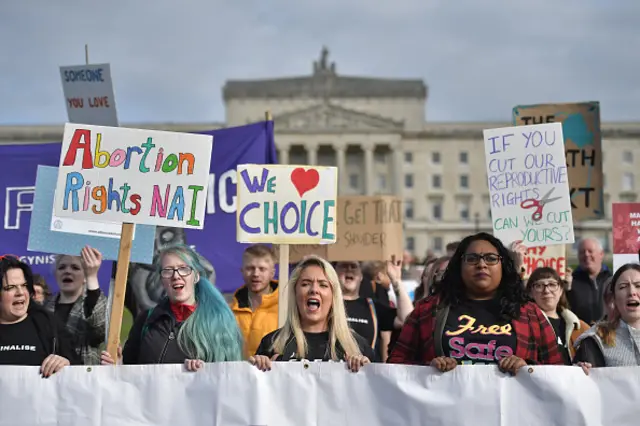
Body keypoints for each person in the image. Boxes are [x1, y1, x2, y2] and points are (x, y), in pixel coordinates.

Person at [387, 232, 564, 373]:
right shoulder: (427, 310)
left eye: (491, 258)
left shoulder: (530, 312)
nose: (481, 264)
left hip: (511, 413)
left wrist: (527, 367)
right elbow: (395, 366)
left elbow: (558, 371)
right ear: (459, 266)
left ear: (503, 266)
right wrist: (428, 369)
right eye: (472, 259)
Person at [101, 244, 243, 370]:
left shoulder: (217, 321)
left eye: (183, 269)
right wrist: (118, 366)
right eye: (168, 271)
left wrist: (204, 373)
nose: (176, 276)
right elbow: (130, 374)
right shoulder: (146, 320)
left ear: (196, 276)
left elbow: (228, 377)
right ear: (162, 280)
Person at [249, 256, 375, 372]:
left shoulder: (357, 346)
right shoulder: (272, 343)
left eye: (323, 285)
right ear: (295, 293)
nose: (314, 290)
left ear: (333, 296)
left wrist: (368, 371)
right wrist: (257, 368)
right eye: (306, 284)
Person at [0, 256, 80, 376]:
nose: (20, 293)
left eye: (24, 285)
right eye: (10, 287)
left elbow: (80, 371)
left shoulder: (49, 325)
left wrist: (66, 365)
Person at [336, 258, 413, 362]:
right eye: (344, 266)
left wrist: (396, 281)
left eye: (354, 266)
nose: (349, 270)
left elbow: (406, 319)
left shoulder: (372, 306)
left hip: (367, 373)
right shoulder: (326, 306)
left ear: (361, 276)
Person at [45, 246, 107, 365]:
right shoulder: (44, 307)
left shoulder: (95, 303)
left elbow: (100, 329)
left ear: (85, 276)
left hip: (84, 377)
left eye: (75, 268)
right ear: (55, 274)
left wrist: (92, 277)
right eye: (61, 267)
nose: (67, 271)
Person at [574, 263, 640, 372]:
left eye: (638, 286)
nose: (632, 292)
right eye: (623, 287)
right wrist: (579, 373)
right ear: (613, 297)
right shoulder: (596, 339)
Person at [527, 267, 589, 365]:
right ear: (530, 292)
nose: (546, 290)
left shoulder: (581, 328)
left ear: (561, 290)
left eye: (552, 284)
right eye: (539, 285)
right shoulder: (523, 325)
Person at [231, 244, 279, 357]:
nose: (256, 274)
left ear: (272, 273)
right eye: (250, 268)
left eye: (262, 269)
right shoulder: (228, 312)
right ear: (242, 271)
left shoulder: (286, 308)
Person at [567, 238, 612, 324]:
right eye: (582, 252)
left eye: (590, 251)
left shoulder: (612, 280)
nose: (586, 254)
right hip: (580, 334)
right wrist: (565, 289)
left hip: (609, 333)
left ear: (601, 254)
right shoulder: (571, 281)